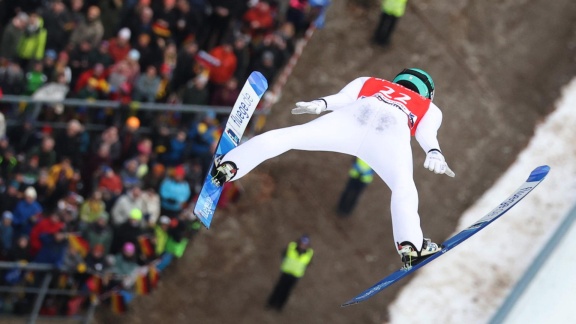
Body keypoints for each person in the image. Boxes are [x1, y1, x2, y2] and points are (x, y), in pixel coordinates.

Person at [211, 68, 455, 266]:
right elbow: (426, 132)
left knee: (289, 137)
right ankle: (410, 246)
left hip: (353, 119)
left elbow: (344, 99)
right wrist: (434, 152)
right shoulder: (428, 106)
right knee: (404, 190)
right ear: (428, 93)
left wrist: (320, 103)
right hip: (389, 134)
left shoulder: (372, 81)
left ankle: (230, 166)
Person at [266, 235, 314, 311]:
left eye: (305, 244)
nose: (303, 245)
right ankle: (270, 303)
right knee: (278, 288)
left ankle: (279, 306)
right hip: (286, 272)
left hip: (295, 275)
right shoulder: (291, 247)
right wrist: (284, 263)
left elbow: (308, 263)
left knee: (286, 291)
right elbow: (283, 254)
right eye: (302, 243)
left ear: (307, 245)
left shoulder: (309, 254)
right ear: (299, 242)